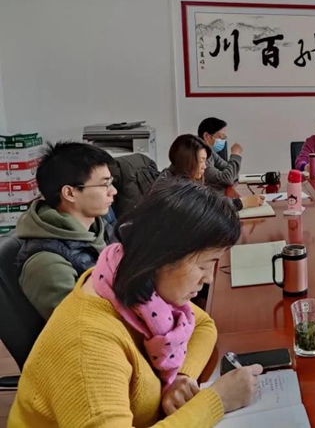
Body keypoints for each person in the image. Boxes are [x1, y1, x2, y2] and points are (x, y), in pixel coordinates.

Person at [9, 180, 263, 427]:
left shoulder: (129, 284)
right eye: (204, 265)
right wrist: (217, 401)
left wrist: (180, 377)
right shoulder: (87, 343)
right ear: (162, 256)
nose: (208, 278)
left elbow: (203, 325)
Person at [15, 142, 117, 320]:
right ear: (69, 193)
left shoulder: (100, 229)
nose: (113, 191)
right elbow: (81, 324)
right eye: (104, 185)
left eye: (111, 183)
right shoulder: (47, 263)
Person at [155, 135, 263, 210]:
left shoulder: (173, 175)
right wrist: (244, 202)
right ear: (188, 161)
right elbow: (209, 206)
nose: (205, 166)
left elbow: (207, 198)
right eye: (201, 161)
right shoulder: (176, 187)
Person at [198, 117, 243, 190]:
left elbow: (232, 173)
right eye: (220, 137)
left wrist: (230, 174)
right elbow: (227, 179)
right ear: (207, 136)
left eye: (224, 137)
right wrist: (235, 155)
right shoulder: (200, 155)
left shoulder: (211, 152)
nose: (223, 141)